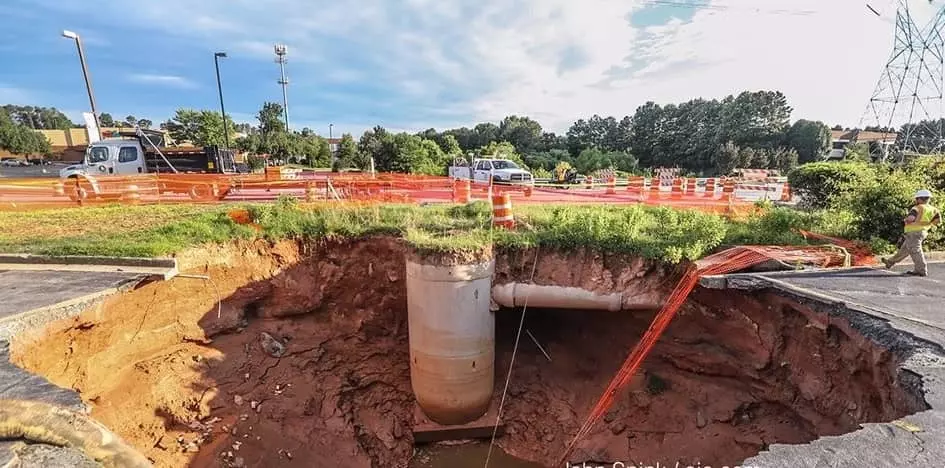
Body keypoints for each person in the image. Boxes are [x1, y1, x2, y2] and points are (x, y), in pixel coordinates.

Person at [882, 189, 941, 276]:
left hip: (913, 233)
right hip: (922, 232)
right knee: (905, 249)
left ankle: (921, 270)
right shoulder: (934, 209)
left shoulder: (917, 208)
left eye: (917, 199)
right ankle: (890, 262)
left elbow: (911, 219)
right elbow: (937, 221)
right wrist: (927, 224)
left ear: (920, 199)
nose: (916, 200)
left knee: (916, 251)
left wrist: (905, 220)